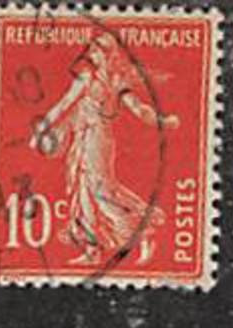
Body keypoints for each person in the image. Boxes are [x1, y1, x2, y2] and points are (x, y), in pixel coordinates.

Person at [28, 31, 179, 268]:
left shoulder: (115, 81)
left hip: (97, 139)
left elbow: (139, 109)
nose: (92, 55)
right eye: (92, 51)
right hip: (84, 136)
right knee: (84, 191)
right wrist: (42, 129)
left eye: (96, 51)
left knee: (101, 193)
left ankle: (142, 233)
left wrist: (163, 121)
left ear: (106, 54)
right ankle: (92, 249)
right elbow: (65, 104)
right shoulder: (90, 78)